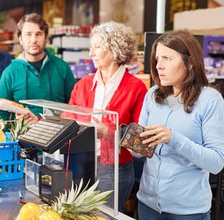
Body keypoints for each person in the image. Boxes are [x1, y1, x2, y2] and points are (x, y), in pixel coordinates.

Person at [137, 30, 224, 219]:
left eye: (167, 59)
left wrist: (173, 139)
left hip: (188, 211)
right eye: (157, 59)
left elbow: (215, 163)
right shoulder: (153, 95)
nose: (158, 65)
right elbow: (138, 151)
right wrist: (129, 139)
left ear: (190, 62)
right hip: (147, 205)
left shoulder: (210, 100)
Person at [68, 21, 147, 212]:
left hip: (113, 171)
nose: (90, 53)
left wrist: (109, 133)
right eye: (91, 47)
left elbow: (141, 143)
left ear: (114, 49)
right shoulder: (83, 84)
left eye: (97, 47)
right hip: (81, 164)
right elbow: (66, 119)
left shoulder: (136, 88)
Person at [0, 13, 76, 123]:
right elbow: (0, 114)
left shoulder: (62, 68)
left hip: (58, 136)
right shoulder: (10, 73)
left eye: (38, 34)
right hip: (22, 137)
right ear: (20, 39)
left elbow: (75, 107)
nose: (33, 39)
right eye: (28, 34)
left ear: (46, 38)